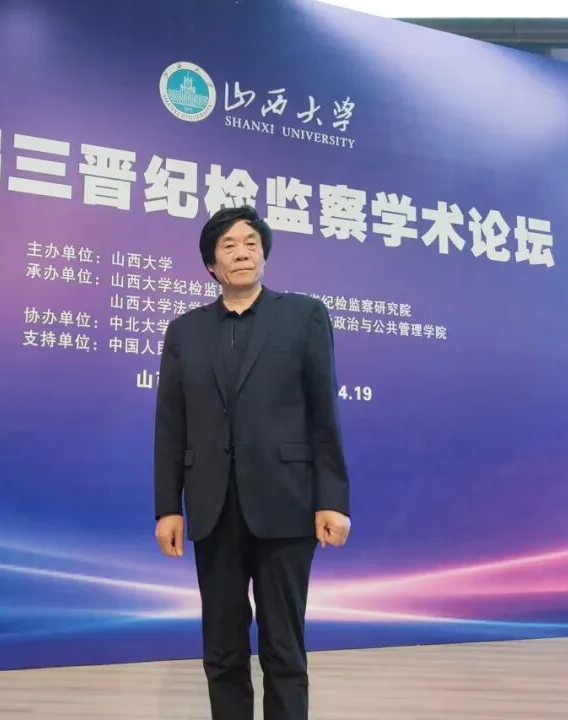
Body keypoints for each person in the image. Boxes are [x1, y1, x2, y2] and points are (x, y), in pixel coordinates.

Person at [153, 205, 351, 720]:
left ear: (263, 255)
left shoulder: (303, 316)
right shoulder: (185, 331)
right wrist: (167, 507)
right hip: (212, 507)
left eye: (250, 243)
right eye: (229, 246)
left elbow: (323, 413)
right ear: (211, 264)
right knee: (222, 649)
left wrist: (331, 499)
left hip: (286, 504)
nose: (242, 253)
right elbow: (171, 425)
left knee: (284, 647)